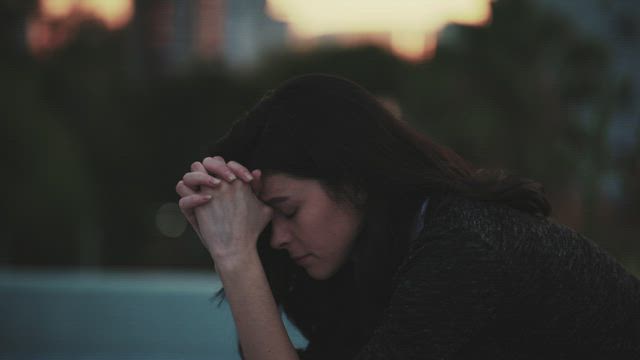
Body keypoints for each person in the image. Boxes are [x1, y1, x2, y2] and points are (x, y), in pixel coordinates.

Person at [175, 74, 640, 360]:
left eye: (287, 210)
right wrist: (237, 251)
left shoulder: (465, 248)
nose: (274, 238)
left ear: (354, 180)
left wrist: (236, 259)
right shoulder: (385, 254)